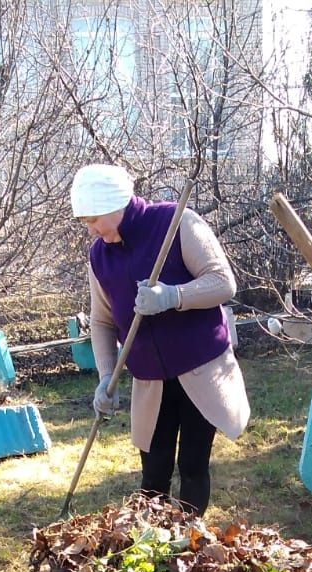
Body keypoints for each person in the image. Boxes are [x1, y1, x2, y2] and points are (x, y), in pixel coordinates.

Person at [69, 164, 250, 516]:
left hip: (202, 369)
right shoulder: (100, 256)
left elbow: (223, 281)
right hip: (150, 380)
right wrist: (107, 376)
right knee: (154, 471)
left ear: (114, 204)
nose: (90, 229)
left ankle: (189, 542)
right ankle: (152, 544)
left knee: (193, 464)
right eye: (85, 221)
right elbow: (102, 321)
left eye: (93, 219)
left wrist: (173, 296)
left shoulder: (176, 222)